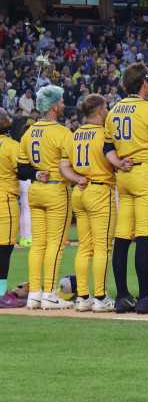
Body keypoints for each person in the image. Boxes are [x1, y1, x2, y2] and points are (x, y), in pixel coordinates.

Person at [105, 63, 148, 314]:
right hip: (144, 172)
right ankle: (145, 298)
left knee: (122, 237)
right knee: (144, 237)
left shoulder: (114, 110)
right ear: (144, 82)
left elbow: (107, 148)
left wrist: (119, 162)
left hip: (123, 174)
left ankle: (123, 296)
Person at [18, 85, 87, 310]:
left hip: (35, 190)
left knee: (37, 245)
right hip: (57, 190)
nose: (64, 104)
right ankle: (49, 293)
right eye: (61, 101)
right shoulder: (62, 132)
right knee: (55, 245)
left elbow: (21, 168)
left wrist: (36, 172)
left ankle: (34, 294)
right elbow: (74, 163)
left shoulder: (28, 132)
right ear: (55, 106)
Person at [71, 94, 117, 312]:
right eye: (105, 107)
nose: (107, 110)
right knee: (102, 247)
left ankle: (82, 297)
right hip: (99, 189)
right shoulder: (104, 133)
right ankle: (100, 297)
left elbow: (65, 163)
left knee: (84, 247)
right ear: (98, 110)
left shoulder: (76, 134)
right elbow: (112, 160)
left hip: (79, 190)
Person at [0, 109, 22, 307]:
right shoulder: (10, 145)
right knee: (4, 249)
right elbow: (21, 170)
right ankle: (1, 294)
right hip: (5, 200)